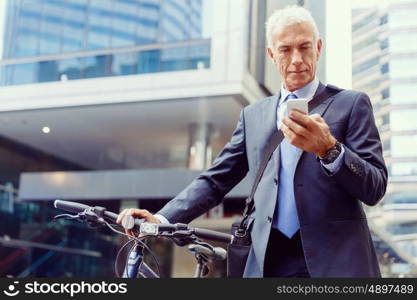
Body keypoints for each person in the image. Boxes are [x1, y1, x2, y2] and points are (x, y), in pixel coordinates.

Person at [117, 5, 387, 277]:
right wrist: (162, 219)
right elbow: (214, 180)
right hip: (268, 260)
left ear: (318, 47)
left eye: (305, 47)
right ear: (271, 54)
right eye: (285, 49)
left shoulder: (351, 105)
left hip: (334, 261)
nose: (296, 59)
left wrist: (330, 150)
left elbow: (375, 187)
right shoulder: (253, 115)